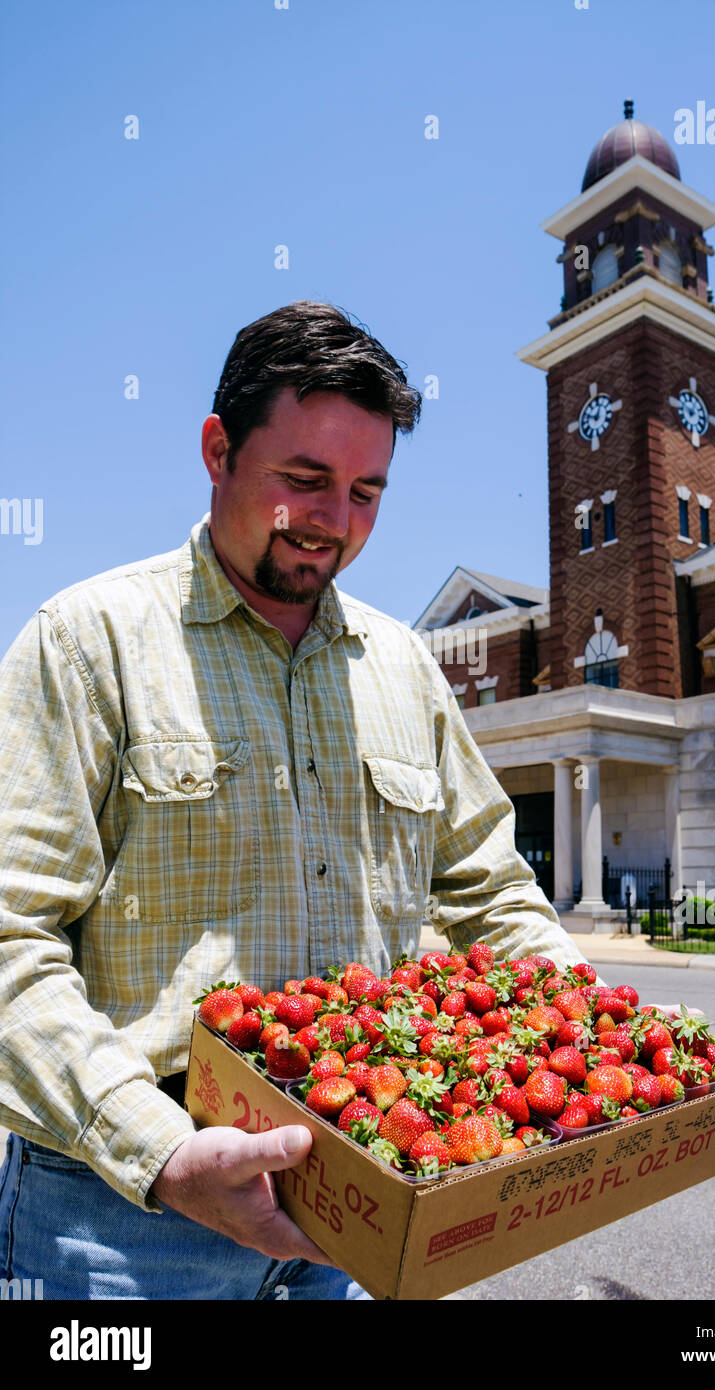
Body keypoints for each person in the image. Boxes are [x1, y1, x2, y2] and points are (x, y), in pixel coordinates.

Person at [0, 301, 590, 1300]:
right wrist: (161, 1154)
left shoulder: (405, 670)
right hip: (128, 1222)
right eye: (305, 479)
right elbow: (12, 939)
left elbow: (493, 892)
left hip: (361, 1209)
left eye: (366, 490)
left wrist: (590, 1027)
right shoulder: (84, 644)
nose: (334, 518)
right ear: (217, 449)